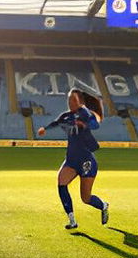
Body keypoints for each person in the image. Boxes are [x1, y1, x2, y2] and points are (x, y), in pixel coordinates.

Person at [36, 88, 109, 230]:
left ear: (80, 101)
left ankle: (103, 205)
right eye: (69, 99)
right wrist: (45, 129)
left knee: (86, 198)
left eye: (74, 100)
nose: (71, 102)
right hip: (71, 160)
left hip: (86, 161)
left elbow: (95, 124)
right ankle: (72, 220)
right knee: (61, 182)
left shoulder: (86, 113)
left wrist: (84, 124)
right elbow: (56, 122)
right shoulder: (66, 116)